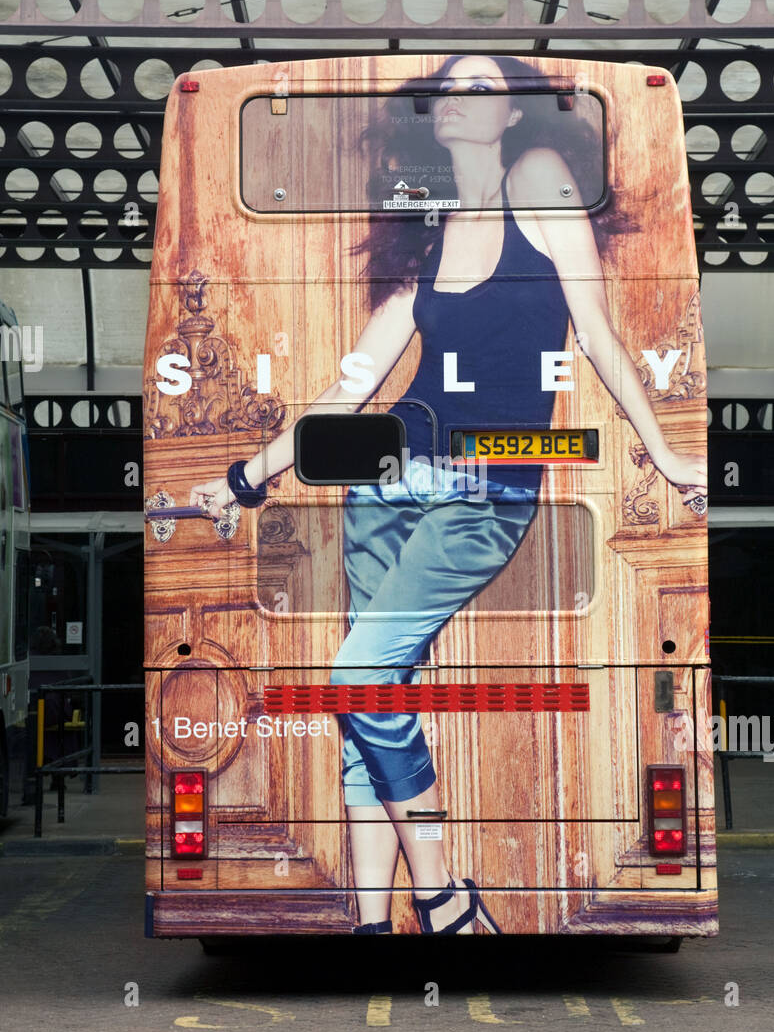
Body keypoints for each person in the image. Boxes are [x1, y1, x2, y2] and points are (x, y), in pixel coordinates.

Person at [189, 53, 707, 933]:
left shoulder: (536, 183)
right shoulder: (427, 236)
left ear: (513, 118)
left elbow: (597, 336)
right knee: (374, 695)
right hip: (384, 483)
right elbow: (351, 389)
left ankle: (440, 895)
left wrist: (663, 451)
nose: (461, 102)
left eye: (484, 90)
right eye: (450, 91)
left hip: (484, 490)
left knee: (356, 678)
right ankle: (369, 919)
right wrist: (244, 478)